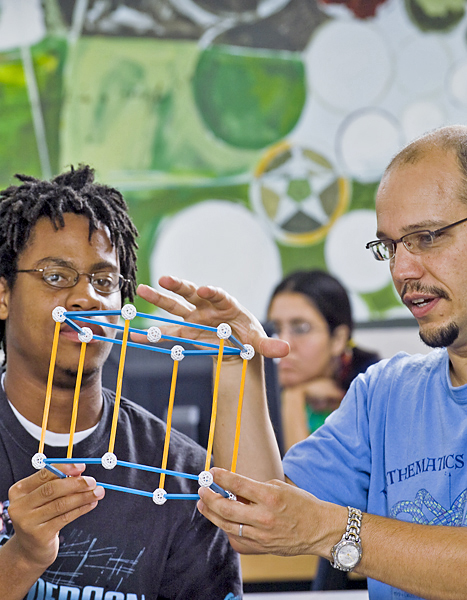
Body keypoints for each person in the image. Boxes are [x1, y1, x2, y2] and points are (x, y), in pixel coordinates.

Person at [143, 124, 467, 600]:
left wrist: (333, 530)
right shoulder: (385, 395)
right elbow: (252, 518)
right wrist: (238, 360)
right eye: (391, 246)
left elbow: (318, 526)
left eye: (426, 237)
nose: (402, 270)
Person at [0, 165, 241, 600]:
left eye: (104, 281)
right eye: (56, 277)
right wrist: (20, 559)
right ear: (3, 296)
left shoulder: (185, 479)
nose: (86, 297)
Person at [267, 269, 379, 451]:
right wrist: (294, 395)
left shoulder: (374, 390)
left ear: (338, 339)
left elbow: (302, 477)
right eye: (275, 328)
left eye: (301, 328)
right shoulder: (261, 385)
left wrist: (293, 399)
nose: (282, 342)